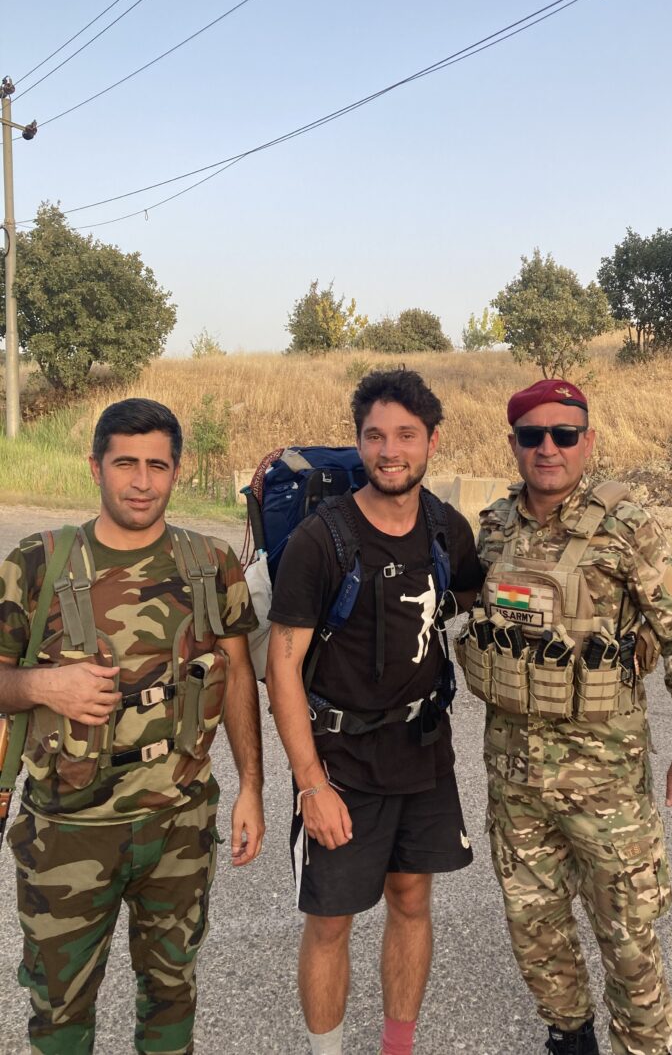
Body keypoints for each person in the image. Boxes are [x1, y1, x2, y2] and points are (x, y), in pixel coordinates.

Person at [0, 398, 265, 1055]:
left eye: (157, 465)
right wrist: (41, 685)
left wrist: (252, 789)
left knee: (172, 998)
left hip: (179, 826)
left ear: (177, 471)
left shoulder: (211, 563)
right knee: (60, 1014)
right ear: (96, 467)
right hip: (65, 833)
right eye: (125, 464)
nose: (142, 481)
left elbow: (236, 673)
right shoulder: (37, 563)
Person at [465, 378, 672, 1055]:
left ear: (588, 441)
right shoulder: (495, 528)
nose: (548, 448)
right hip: (515, 778)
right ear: (514, 443)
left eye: (564, 434)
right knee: (534, 930)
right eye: (532, 435)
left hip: (606, 783)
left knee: (628, 939)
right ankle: (569, 1038)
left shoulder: (626, 526)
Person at [266, 368, 482, 1055]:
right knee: (331, 921)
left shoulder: (447, 528)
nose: (391, 451)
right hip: (341, 763)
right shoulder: (321, 541)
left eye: (406, 435)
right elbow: (281, 667)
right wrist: (311, 783)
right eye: (376, 436)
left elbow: (474, 596)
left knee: (412, 900)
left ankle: (397, 1047)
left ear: (432, 442)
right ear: (359, 442)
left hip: (423, 753)